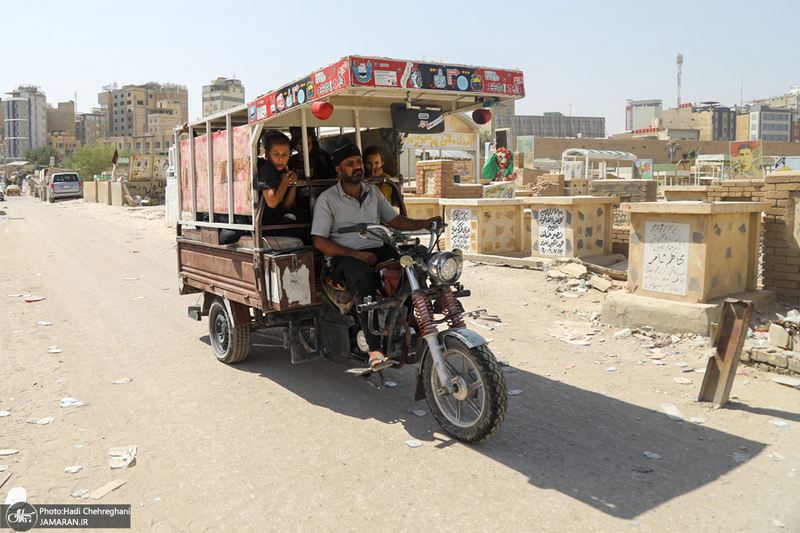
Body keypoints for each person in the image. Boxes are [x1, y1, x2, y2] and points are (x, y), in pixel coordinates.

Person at [311, 143, 441, 370]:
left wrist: (425, 223)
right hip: (343, 256)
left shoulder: (373, 192)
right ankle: (374, 348)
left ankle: (411, 315)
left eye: (358, 162)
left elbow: (395, 221)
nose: (357, 167)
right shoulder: (327, 199)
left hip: (376, 246)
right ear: (338, 170)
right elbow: (320, 242)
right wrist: (356, 255)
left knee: (409, 264)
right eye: (350, 164)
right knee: (365, 278)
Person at [255, 130, 310, 242]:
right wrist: (285, 181)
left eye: (285, 155)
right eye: (276, 154)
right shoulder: (268, 170)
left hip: (276, 221)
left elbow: (286, 206)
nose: (281, 159)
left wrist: (293, 184)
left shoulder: (281, 171)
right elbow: (272, 202)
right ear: (267, 154)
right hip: (266, 225)